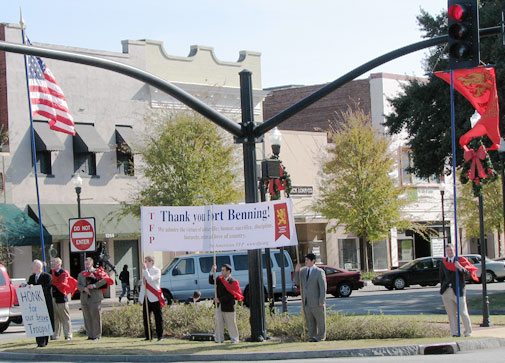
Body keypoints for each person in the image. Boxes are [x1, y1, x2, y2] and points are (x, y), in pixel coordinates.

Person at [439, 244, 478, 337]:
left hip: (458, 290)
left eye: (451, 250)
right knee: (451, 314)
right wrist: (443, 288)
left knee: (463, 312)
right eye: (447, 250)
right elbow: (441, 277)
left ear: (454, 250)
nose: (449, 252)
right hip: (447, 291)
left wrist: (460, 267)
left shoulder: (461, 261)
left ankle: (468, 332)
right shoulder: (443, 262)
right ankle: (455, 332)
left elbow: (468, 274)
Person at [78, 257, 113, 340]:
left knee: (95, 316)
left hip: (95, 297)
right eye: (85, 263)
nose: (86, 265)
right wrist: (84, 288)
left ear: (92, 263)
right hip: (84, 298)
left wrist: (94, 285)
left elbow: (105, 280)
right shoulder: (81, 274)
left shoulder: (98, 272)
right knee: (87, 317)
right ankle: (90, 335)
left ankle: (96, 335)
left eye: (88, 263)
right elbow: (78, 285)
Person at [294, 253, 327, 342]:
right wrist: (296, 271)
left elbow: (323, 288)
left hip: (317, 302)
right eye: (305, 260)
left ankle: (320, 337)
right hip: (306, 302)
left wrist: (321, 300)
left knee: (320, 321)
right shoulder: (303, 271)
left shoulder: (319, 272)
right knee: (310, 322)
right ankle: (311, 337)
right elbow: (297, 282)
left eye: (307, 260)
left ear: (313, 261)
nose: (306, 262)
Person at [209, 263, 243, 344]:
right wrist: (212, 271)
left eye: (223, 270)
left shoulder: (233, 282)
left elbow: (231, 296)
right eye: (221, 270)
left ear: (228, 271)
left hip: (228, 305)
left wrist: (219, 300)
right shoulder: (219, 279)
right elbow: (211, 281)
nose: (221, 272)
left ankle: (234, 339)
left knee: (231, 324)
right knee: (218, 323)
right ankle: (218, 339)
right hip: (219, 305)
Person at [27, 259, 54, 347]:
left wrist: (35, 287)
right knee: (37, 322)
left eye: (33, 266)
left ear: (38, 267)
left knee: (44, 322)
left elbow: (46, 288)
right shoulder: (32, 277)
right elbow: (28, 286)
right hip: (35, 305)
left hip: (45, 303)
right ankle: (39, 342)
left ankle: (44, 341)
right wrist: (27, 286)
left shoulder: (47, 276)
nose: (32, 268)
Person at [50, 257, 76, 341]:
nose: (52, 264)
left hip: (62, 298)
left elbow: (62, 284)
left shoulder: (64, 273)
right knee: (55, 318)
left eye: (54, 262)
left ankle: (68, 335)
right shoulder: (51, 272)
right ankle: (56, 334)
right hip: (53, 297)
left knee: (65, 318)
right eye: (52, 262)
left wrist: (53, 283)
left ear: (59, 263)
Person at [139, 255, 165, 341]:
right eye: (145, 261)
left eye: (146, 261)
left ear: (151, 262)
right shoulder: (145, 272)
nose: (145, 263)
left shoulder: (157, 271)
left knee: (158, 318)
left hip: (155, 298)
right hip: (147, 298)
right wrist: (140, 298)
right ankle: (148, 336)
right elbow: (143, 286)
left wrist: (145, 270)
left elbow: (150, 279)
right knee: (146, 318)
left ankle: (160, 336)